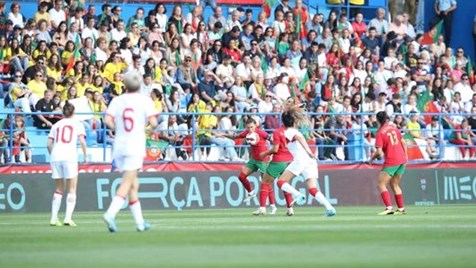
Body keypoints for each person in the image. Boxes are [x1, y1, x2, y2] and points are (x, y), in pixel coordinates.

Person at [102, 71, 158, 233]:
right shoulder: (144, 100)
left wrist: (118, 129)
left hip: (119, 145)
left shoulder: (118, 100)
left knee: (134, 184)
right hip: (134, 145)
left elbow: (107, 120)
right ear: (140, 84)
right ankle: (110, 213)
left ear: (124, 85)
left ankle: (140, 223)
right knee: (127, 182)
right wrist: (146, 130)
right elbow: (154, 122)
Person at [275, 106, 336, 217]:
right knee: (313, 188)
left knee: (280, 182)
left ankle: (297, 194)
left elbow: (299, 138)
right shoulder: (294, 130)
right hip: (309, 161)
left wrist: (308, 151)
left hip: (301, 160)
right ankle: (329, 208)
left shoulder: (288, 132)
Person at [47, 101, 87, 227]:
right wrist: (85, 156)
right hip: (69, 156)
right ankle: (67, 218)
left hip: (56, 156)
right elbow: (82, 142)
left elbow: (48, 144)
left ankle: (53, 218)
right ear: (73, 112)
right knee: (72, 188)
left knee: (59, 188)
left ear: (63, 113)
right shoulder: (78, 124)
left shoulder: (56, 125)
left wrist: (53, 155)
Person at [223, 118, 271, 204]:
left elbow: (271, 140)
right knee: (241, 177)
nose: (250, 129)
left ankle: (272, 205)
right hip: (254, 160)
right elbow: (235, 137)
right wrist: (223, 134)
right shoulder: (247, 133)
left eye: (252, 127)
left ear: (256, 126)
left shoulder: (261, 133)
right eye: (248, 127)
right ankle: (251, 193)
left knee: (266, 183)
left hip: (264, 160)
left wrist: (275, 151)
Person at [369, 111, 408, 215]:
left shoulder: (380, 133)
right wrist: (406, 156)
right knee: (394, 184)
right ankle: (401, 209)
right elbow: (403, 142)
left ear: (378, 120)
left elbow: (379, 152)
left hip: (392, 160)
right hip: (402, 160)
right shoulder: (394, 128)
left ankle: (389, 208)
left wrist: (372, 159)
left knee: (381, 184)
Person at [259, 125, 295, 216]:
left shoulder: (278, 132)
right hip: (290, 160)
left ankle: (262, 208)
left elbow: (275, 149)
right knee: (285, 184)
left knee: (265, 182)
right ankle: (290, 209)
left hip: (279, 160)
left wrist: (265, 153)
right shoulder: (293, 131)